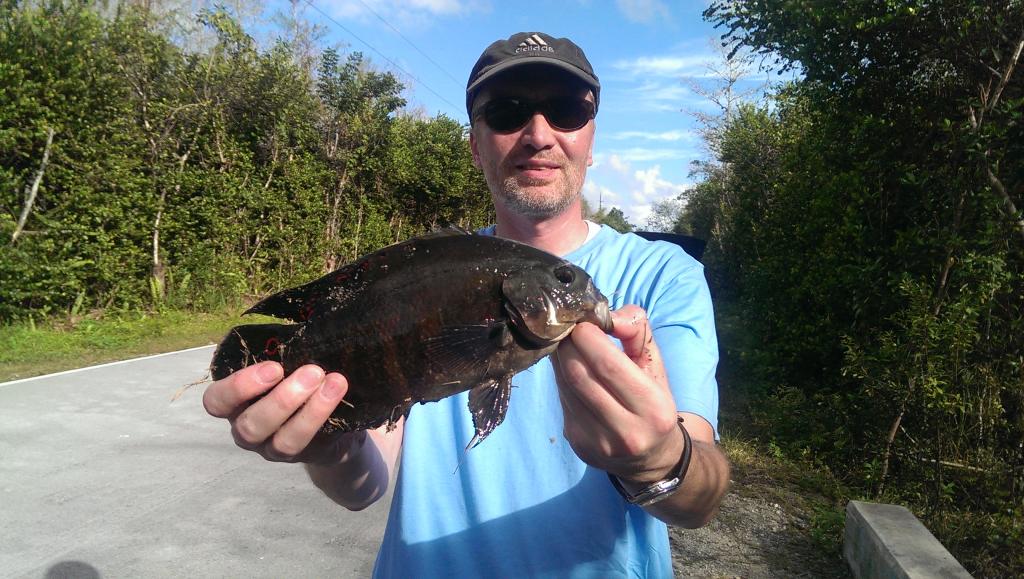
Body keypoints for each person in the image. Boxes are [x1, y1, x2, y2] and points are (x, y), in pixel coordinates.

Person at [203, 31, 730, 577]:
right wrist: (328, 442)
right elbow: (363, 486)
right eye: (506, 112)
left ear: (591, 138)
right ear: (476, 145)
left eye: (567, 111)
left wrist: (660, 461)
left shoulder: (665, 275)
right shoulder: (429, 271)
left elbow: (702, 500)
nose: (539, 135)